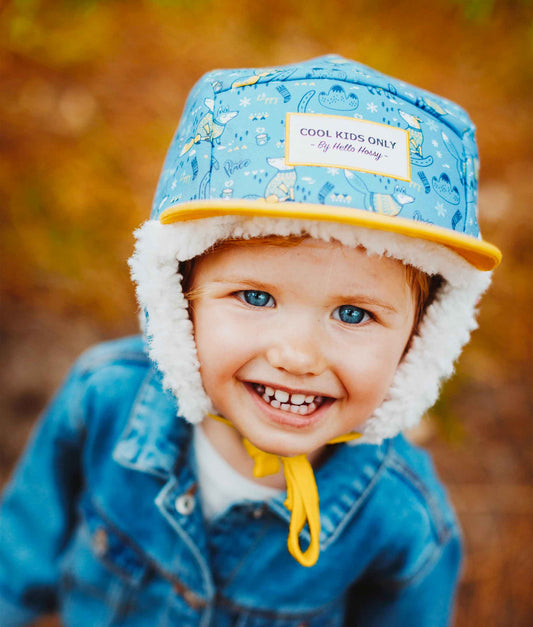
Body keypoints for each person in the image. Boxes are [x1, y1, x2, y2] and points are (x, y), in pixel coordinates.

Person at [0, 55, 501, 626]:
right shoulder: (103, 402)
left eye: (354, 314)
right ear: (178, 299)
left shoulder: (403, 521)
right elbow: (15, 561)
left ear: (421, 339)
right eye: (256, 298)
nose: (297, 356)